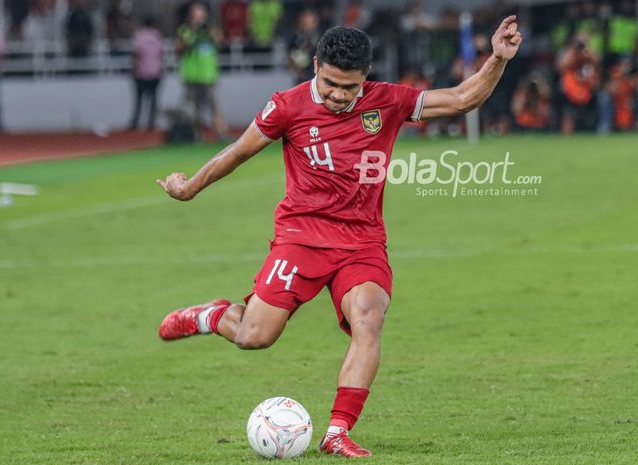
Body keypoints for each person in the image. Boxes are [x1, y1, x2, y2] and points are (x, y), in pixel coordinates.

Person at [157, 18, 522, 458]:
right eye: (330, 83)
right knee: (255, 336)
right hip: (301, 236)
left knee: (368, 319)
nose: (337, 94)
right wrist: (188, 187)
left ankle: (336, 432)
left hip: (363, 242)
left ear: (364, 79)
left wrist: (497, 60)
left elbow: (462, 99)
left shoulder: (386, 101)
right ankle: (211, 316)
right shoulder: (287, 106)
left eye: (348, 87)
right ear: (315, 66)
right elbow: (237, 153)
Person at [176, 2, 228, 140]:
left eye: (201, 12)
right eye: (196, 12)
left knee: (214, 106)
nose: (199, 15)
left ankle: (221, 133)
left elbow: (220, 42)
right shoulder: (185, 30)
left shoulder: (211, 29)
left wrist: (209, 31)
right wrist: (191, 35)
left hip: (208, 74)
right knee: (194, 108)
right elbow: (179, 50)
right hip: (191, 75)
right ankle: (196, 135)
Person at [129, 16, 163, 131]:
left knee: (139, 99)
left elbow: (136, 53)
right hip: (155, 72)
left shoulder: (140, 36)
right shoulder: (157, 36)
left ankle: (136, 122)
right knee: (153, 99)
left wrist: (133, 68)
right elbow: (161, 54)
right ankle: (151, 122)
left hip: (142, 72)